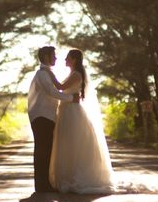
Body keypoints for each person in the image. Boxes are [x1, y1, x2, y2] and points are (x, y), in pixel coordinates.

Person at [46, 49, 116, 194]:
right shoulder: (72, 74)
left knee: (73, 143)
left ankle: (75, 177)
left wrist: (48, 72)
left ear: (74, 60)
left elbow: (60, 87)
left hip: (72, 112)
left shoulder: (77, 74)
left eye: (67, 58)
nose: (65, 60)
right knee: (67, 144)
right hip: (67, 110)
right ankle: (68, 175)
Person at [27, 46, 79, 193]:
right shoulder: (43, 74)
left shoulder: (46, 73)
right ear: (45, 57)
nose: (56, 58)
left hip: (46, 115)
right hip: (42, 116)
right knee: (42, 150)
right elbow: (52, 92)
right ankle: (42, 185)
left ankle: (43, 184)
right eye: (53, 55)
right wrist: (71, 98)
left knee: (45, 149)